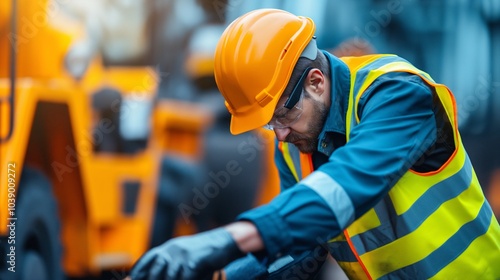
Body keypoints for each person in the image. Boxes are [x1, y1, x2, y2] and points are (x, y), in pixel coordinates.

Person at [128, 8, 500, 280]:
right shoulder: (294, 143)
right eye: (268, 123)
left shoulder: (398, 94)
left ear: (317, 82)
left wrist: (228, 239)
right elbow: (298, 249)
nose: (279, 135)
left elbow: (348, 183)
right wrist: (221, 274)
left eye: (281, 116)